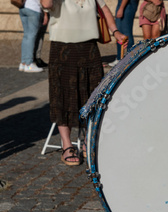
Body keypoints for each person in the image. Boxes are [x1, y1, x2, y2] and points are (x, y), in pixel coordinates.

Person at [40, 0, 128, 166]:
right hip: (63, 50)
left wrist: (115, 32)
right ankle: (67, 144)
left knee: (92, 93)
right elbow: (46, 4)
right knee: (63, 95)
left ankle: (89, 140)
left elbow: (105, 10)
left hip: (89, 50)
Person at [108, 0, 139, 67]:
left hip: (127, 5)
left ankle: (129, 58)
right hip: (125, 4)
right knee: (120, 32)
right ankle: (120, 57)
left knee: (126, 33)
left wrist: (121, 8)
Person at [19, 0, 44, 73]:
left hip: (22, 7)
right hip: (33, 8)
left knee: (26, 35)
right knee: (31, 36)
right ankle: (29, 64)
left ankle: (23, 63)